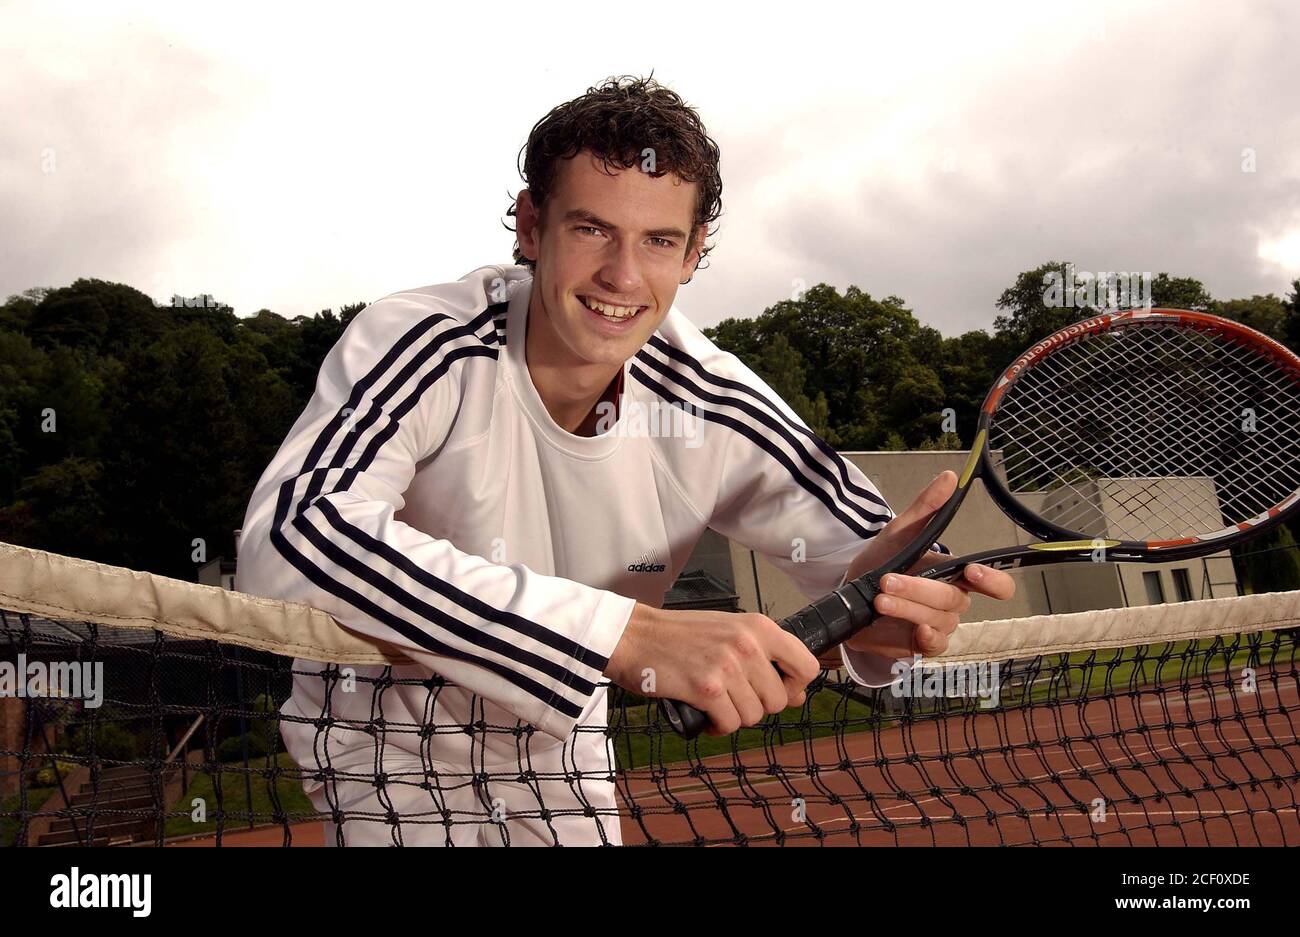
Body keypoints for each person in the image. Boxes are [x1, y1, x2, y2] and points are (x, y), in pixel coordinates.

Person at [235, 75, 1015, 846]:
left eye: (658, 241)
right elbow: (293, 536)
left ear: (692, 254)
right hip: (378, 742)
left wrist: (890, 609)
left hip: (559, 747)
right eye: (591, 229)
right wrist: (626, 636)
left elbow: (869, 575)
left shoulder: (713, 399)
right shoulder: (426, 340)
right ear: (532, 225)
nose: (622, 275)